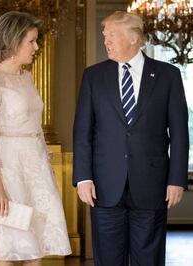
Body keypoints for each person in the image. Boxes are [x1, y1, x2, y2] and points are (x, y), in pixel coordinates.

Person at [73, 11, 188, 266]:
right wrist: (83, 177)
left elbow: (179, 132)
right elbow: (83, 132)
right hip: (103, 187)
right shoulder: (93, 76)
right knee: (108, 260)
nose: (106, 42)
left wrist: (177, 179)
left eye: (111, 35)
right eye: (104, 36)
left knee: (148, 259)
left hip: (152, 184)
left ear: (134, 38)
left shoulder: (168, 75)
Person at [0, 11, 71, 266]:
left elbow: (33, 126)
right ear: (13, 41)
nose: (36, 47)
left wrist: (42, 157)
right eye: (32, 41)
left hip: (35, 169)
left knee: (34, 249)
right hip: (8, 172)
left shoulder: (26, 78)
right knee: (8, 248)